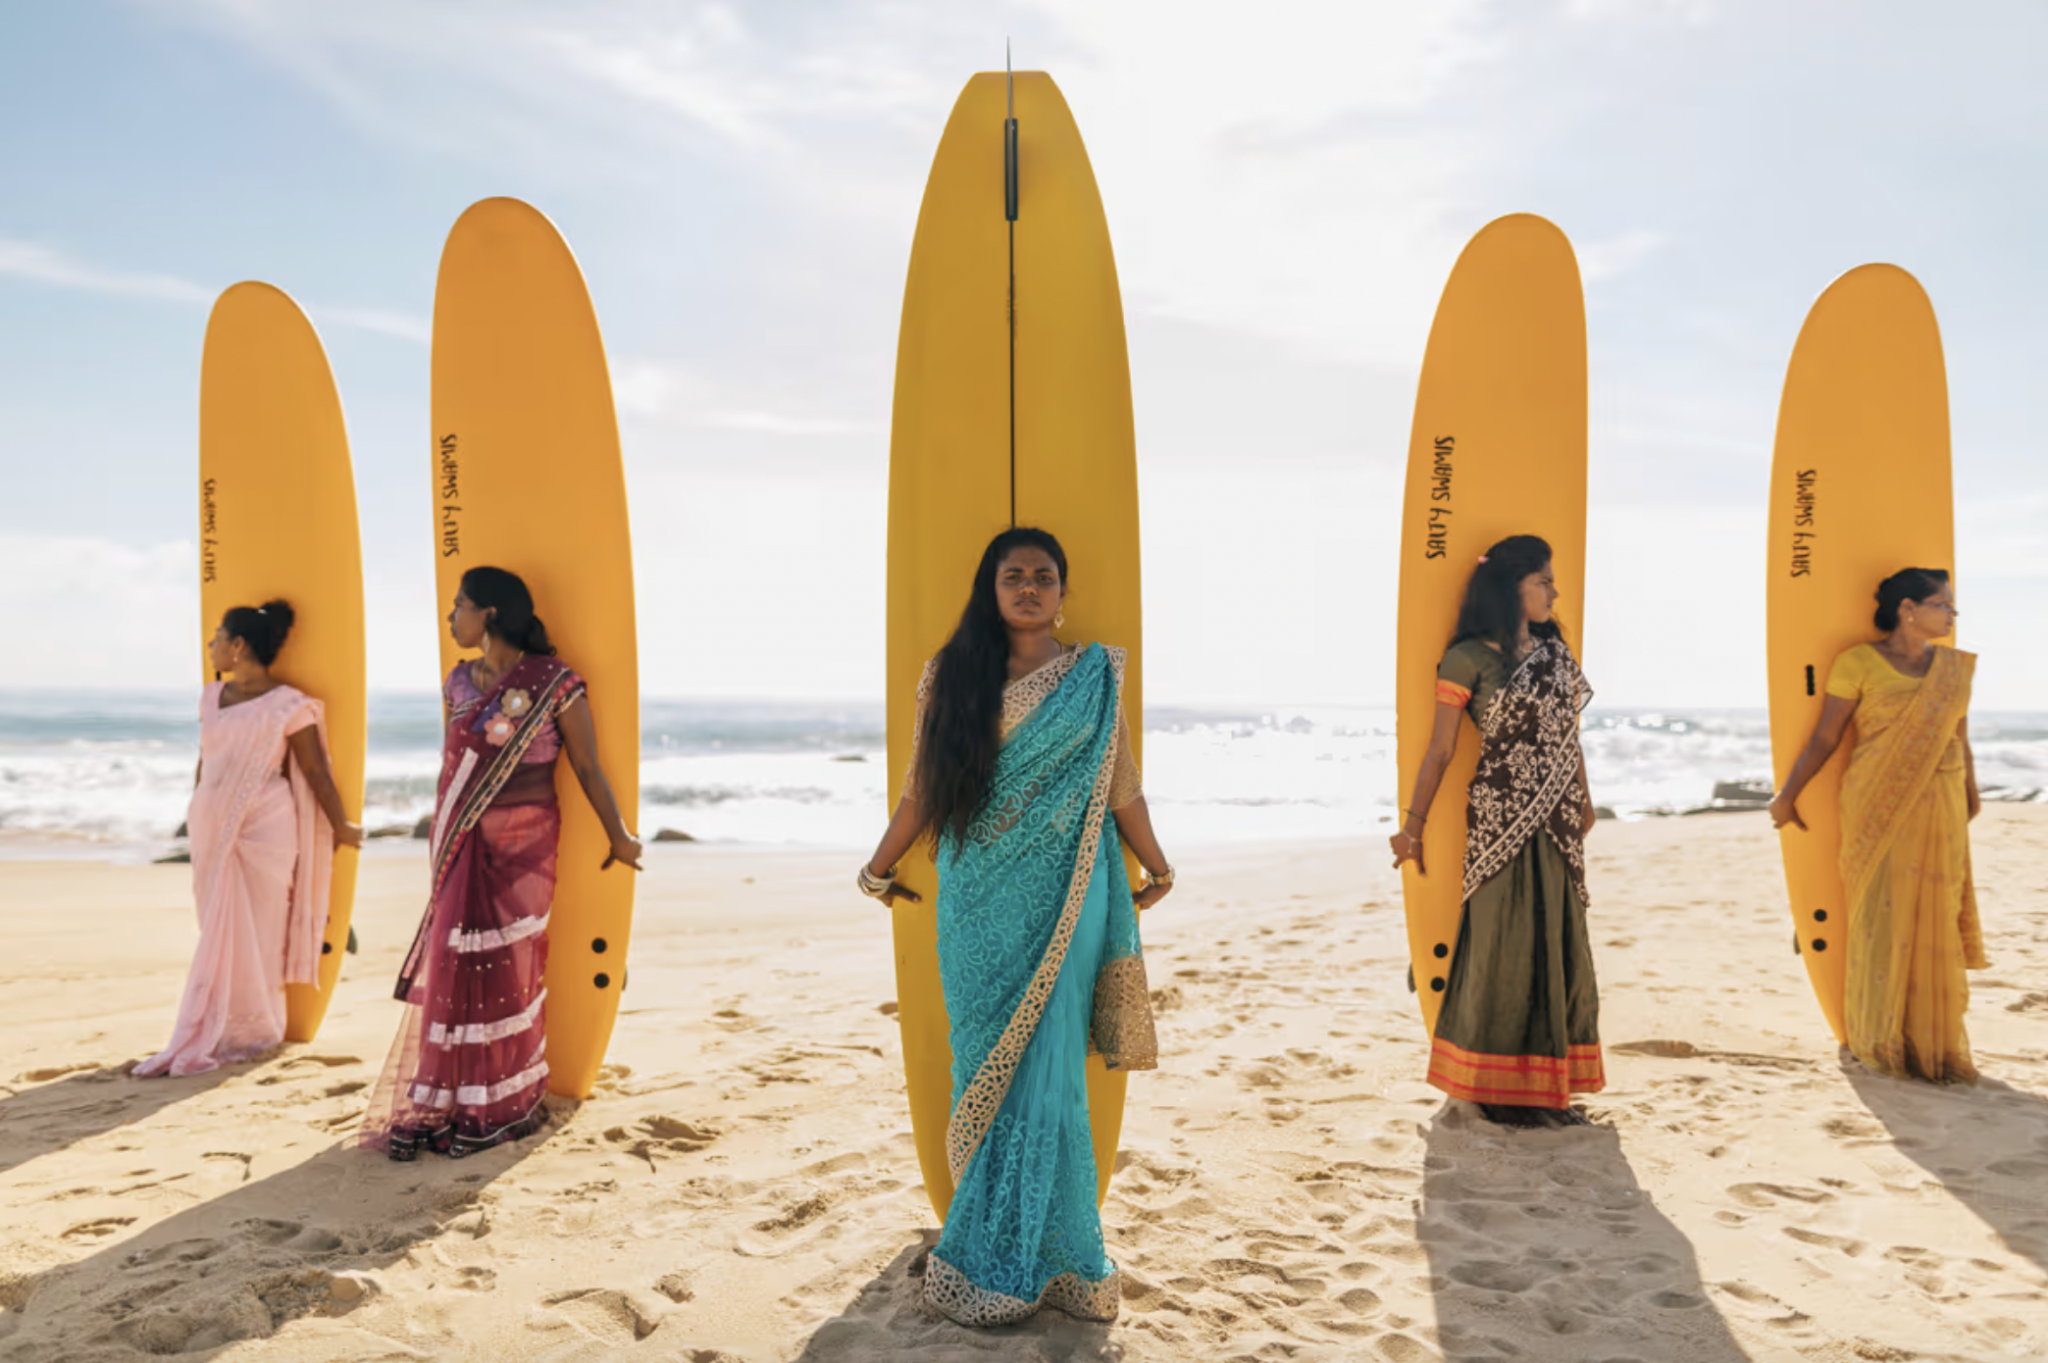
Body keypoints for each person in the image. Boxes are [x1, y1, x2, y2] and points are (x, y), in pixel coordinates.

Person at [861, 527, 1170, 1326]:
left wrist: (1156, 863)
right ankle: (992, 1247)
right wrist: (877, 863)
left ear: (1063, 590)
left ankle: (1059, 1256)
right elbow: (923, 789)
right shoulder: (953, 675)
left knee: (1054, 1072)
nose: (1029, 587)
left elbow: (1122, 784)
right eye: (1013, 576)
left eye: (1043, 576)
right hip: (978, 900)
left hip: (1064, 899)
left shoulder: (1094, 678)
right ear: (989, 588)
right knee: (984, 1066)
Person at [360, 566, 641, 1159]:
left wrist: (619, 836)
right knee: (456, 968)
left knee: (510, 971)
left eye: (457, 605)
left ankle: (500, 1100)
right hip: (460, 845)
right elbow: (453, 771)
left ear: (487, 614)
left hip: (524, 850)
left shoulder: (555, 682)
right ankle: (451, 1101)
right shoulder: (457, 683)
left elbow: (587, 768)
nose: (449, 617)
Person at [1391, 535, 1603, 1129]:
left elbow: (1570, 733)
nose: (1554, 592)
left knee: (1556, 939)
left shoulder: (1554, 649)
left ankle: (1549, 1087)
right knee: (1501, 941)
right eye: (1544, 582)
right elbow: (1439, 751)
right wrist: (1413, 827)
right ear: (1513, 589)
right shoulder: (1467, 658)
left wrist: (1585, 799)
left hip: (1557, 814)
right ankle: (1495, 1089)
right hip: (1500, 814)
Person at [1769, 567, 1984, 1084]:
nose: (1952, 615)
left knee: (1934, 920)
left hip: (1943, 803)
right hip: (1876, 805)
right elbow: (1826, 738)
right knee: (1881, 919)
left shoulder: (1953, 669)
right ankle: (1881, 1037)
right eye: (1944, 605)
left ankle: (1931, 1042)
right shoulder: (1859, 662)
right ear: (1908, 609)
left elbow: (1959, 735)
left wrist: (1972, 793)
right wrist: (1788, 795)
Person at [138, 601, 363, 1077]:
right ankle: (218, 1024)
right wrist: (196, 809)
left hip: (264, 829)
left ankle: (252, 1029)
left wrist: (341, 825)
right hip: (210, 825)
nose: (211, 644)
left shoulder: (289, 705)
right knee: (213, 925)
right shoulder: (210, 696)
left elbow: (315, 770)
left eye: (217, 636)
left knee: (260, 931)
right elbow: (206, 761)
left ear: (238, 645)